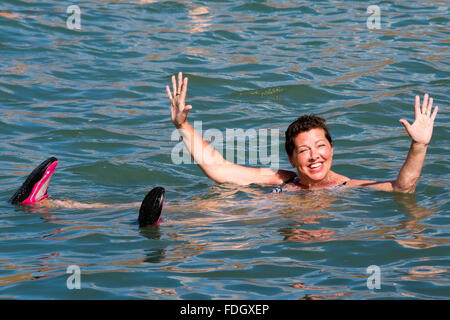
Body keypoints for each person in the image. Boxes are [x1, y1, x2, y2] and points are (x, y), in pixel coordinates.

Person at [166, 72, 439, 193]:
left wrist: (419, 146)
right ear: (292, 159)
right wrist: (182, 125)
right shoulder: (280, 180)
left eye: (320, 146)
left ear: (332, 149)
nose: (314, 156)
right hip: (262, 223)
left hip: (303, 246)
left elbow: (402, 188)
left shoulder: (345, 188)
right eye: (304, 150)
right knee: (217, 205)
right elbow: (219, 169)